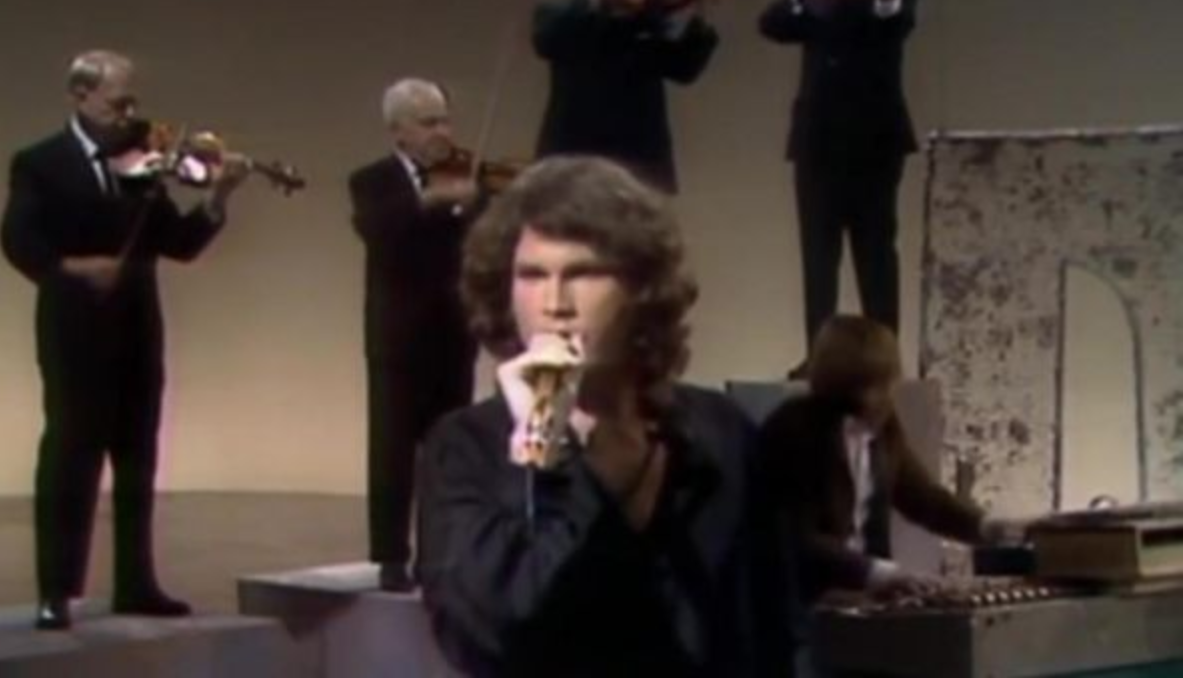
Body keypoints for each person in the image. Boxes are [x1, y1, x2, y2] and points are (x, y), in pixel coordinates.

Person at [417, 156, 793, 677]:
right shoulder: (465, 449)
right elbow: (500, 630)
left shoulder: (718, 430)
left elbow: (776, 627)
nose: (555, 304)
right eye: (531, 275)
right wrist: (544, 447)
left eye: (584, 273)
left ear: (642, 289)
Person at [0, 49, 249, 630]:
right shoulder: (40, 163)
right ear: (80, 96)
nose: (129, 116)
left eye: (132, 103)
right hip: (75, 333)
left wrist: (218, 198)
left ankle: (137, 584)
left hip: (138, 329)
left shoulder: (141, 166)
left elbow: (179, 244)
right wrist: (73, 268)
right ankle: (56, 591)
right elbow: (18, 239)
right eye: (117, 104)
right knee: (71, 457)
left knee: (138, 457)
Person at [757, 315, 1029, 671]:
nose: (887, 395)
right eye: (875, 385)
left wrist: (989, 527)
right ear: (846, 385)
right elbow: (794, 539)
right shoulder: (792, 429)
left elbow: (924, 499)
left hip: (862, 609)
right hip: (803, 618)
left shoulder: (884, 427)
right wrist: (880, 573)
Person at [348, 78, 482, 592]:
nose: (442, 132)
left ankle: (439, 554)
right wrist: (433, 199)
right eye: (428, 123)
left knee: (447, 451)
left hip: (454, 334)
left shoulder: (465, 177)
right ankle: (390, 557)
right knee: (392, 450)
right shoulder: (372, 180)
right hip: (397, 339)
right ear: (398, 130)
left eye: (445, 120)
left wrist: (476, 204)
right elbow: (379, 231)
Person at [759, 0, 918, 378]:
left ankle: (885, 355)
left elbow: (893, 19)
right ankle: (818, 354)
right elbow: (771, 25)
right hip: (818, 145)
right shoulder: (820, 4)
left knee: (876, 253)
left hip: (875, 146)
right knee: (818, 254)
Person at [533, 0, 721, 194]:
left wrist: (703, 15)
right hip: (574, 155)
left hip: (638, 160)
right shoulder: (558, 15)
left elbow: (684, 68)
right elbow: (548, 40)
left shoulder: (645, 23)